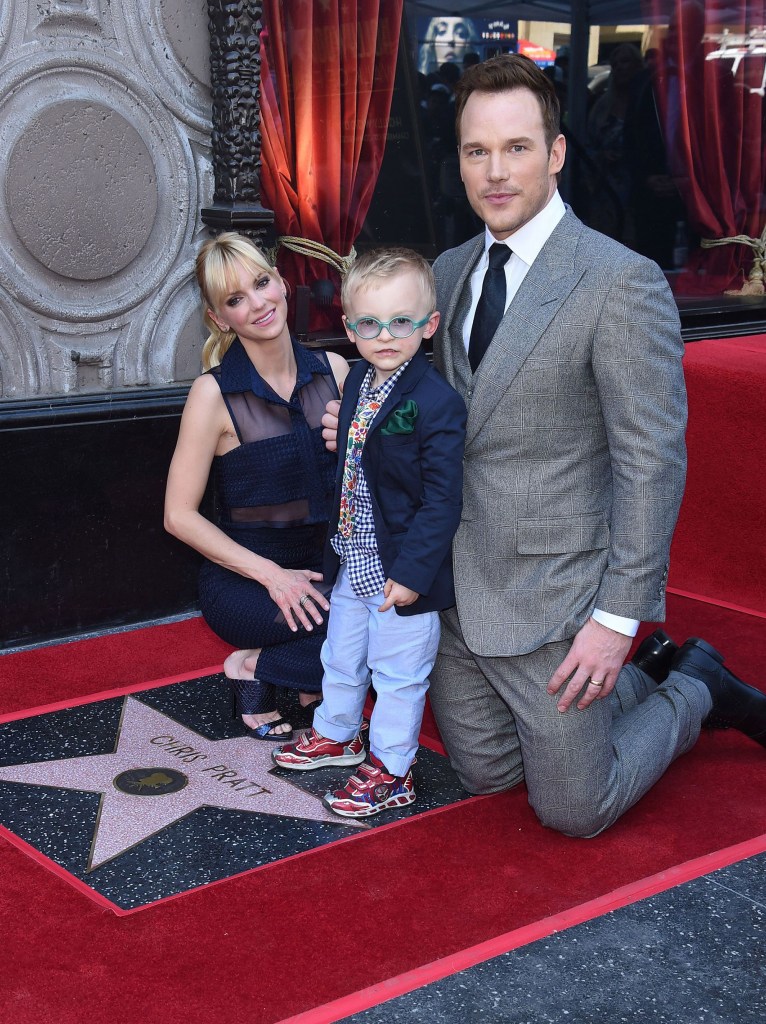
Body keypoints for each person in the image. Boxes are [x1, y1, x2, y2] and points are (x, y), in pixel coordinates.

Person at [322, 55, 766, 837]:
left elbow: (650, 460)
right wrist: (359, 431)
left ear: (556, 154)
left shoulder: (618, 281)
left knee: (571, 809)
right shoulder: (446, 274)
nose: (495, 172)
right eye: (475, 151)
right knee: (485, 774)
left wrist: (619, 619)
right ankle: (628, 692)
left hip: (558, 596)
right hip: (456, 589)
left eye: (517, 147)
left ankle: (695, 686)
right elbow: (425, 416)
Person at [273, 248, 466, 818]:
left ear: (429, 326)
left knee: (399, 674)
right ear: (349, 328)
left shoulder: (437, 402)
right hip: (353, 554)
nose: (386, 335)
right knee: (342, 654)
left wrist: (412, 573)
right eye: (370, 323)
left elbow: (442, 499)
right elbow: (351, 464)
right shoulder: (356, 380)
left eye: (401, 322)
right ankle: (338, 733)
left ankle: (392, 767)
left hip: (401, 570)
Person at [165, 232, 349, 740]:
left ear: (283, 284)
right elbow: (177, 516)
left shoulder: (333, 371)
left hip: (329, 566)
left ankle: (270, 670)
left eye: (261, 282)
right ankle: (281, 668)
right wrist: (272, 575)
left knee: (395, 621)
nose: (258, 304)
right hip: (249, 582)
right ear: (220, 319)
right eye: (235, 299)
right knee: (357, 635)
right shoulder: (212, 395)